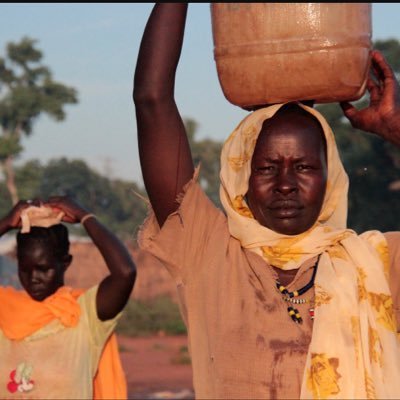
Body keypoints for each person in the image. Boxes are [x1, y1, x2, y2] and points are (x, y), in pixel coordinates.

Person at [133, 3, 400, 399]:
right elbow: (152, 100)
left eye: (305, 167)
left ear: (331, 179)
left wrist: (397, 130)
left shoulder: (375, 261)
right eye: (267, 168)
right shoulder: (209, 253)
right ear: (241, 176)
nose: (286, 184)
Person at [0, 196, 136, 399]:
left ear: (65, 263)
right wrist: (5, 223)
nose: (33, 278)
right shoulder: (5, 309)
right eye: (25, 269)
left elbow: (125, 273)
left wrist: (85, 216)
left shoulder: (85, 314)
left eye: (43, 269)